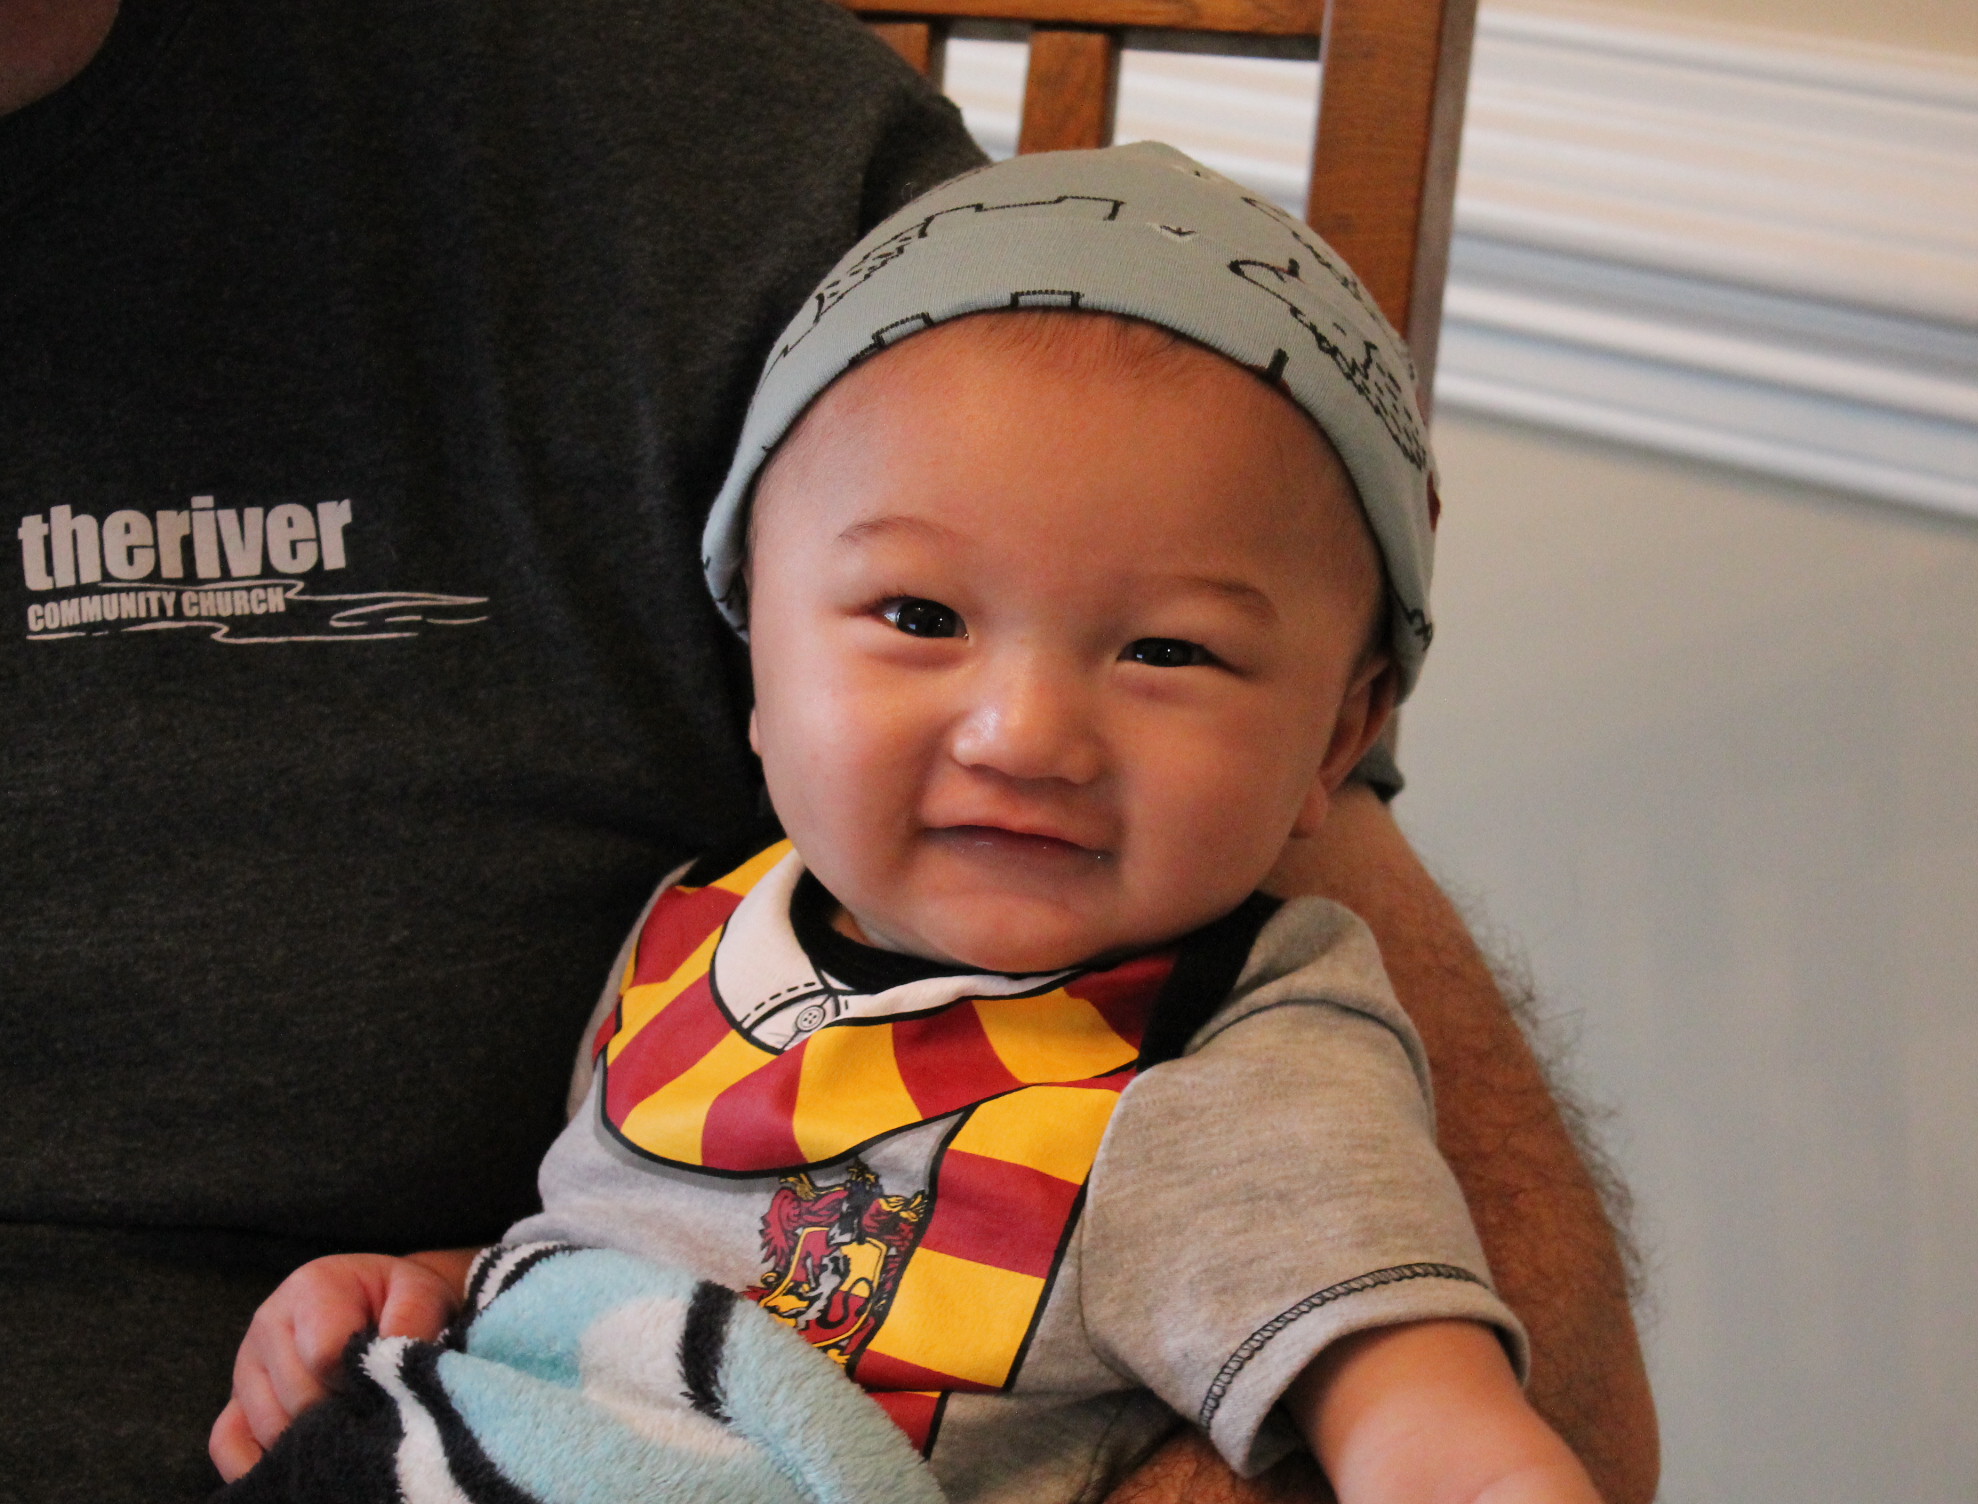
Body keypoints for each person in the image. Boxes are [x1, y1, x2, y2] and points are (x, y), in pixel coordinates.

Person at [0, 4, 1656, 1502]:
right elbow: (624, 1263)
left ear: (1339, 738)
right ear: (754, 657)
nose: (1024, 734)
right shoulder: (696, 948)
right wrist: (441, 1291)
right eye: (919, 619)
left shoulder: (1229, 1076)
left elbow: (1442, 1434)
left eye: (1167, 651)